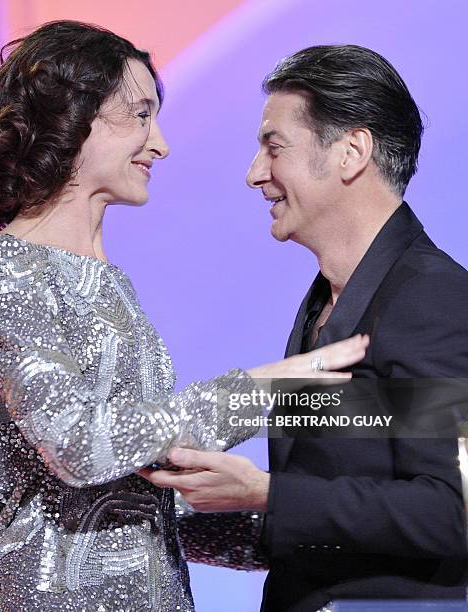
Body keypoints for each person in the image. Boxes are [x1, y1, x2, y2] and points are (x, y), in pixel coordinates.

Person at [0, 23, 368, 612]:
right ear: (75, 116)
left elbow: (129, 499)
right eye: (141, 115)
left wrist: (320, 528)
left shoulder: (109, 283)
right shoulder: (2, 267)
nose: (161, 143)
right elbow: (82, 448)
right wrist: (267, 390)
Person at [143, 45, 468, 611]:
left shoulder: (430, 298)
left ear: (350, 152)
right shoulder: (327, 297)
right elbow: (339, 496)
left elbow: (451, 510)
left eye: (274, 146)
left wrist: (267, 494)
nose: (254, 175)